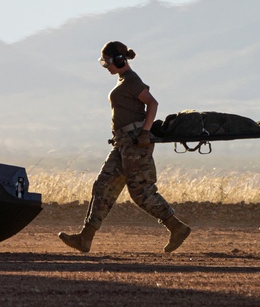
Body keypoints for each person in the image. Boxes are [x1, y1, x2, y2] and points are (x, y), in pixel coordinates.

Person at [58, 41, 192, 253]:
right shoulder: (124, 81)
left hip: (135, 143)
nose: (107, 67)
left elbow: (152, 103)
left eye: (108, 62)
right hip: (123, 143)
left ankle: (176, 227)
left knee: (141, 192)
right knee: (103, 186)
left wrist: (145, 132)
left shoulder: (131, 81)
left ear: (119, 60)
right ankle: (85, 237)